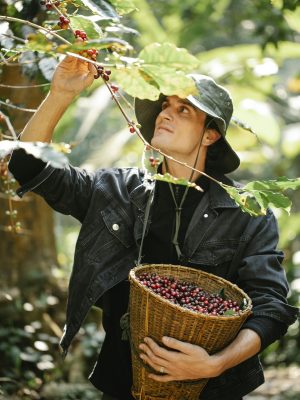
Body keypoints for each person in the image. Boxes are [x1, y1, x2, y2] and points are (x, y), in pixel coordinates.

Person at [8, 55, 298, 400]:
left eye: (183, 110)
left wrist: (214, 364)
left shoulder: (246, 211)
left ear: (210, 135)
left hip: (212, 389)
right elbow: (27, 165)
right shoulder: (115, 191)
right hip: (122, 383)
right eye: (165, 106)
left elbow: (270, 307)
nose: (165, 113)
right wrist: (59, 94)